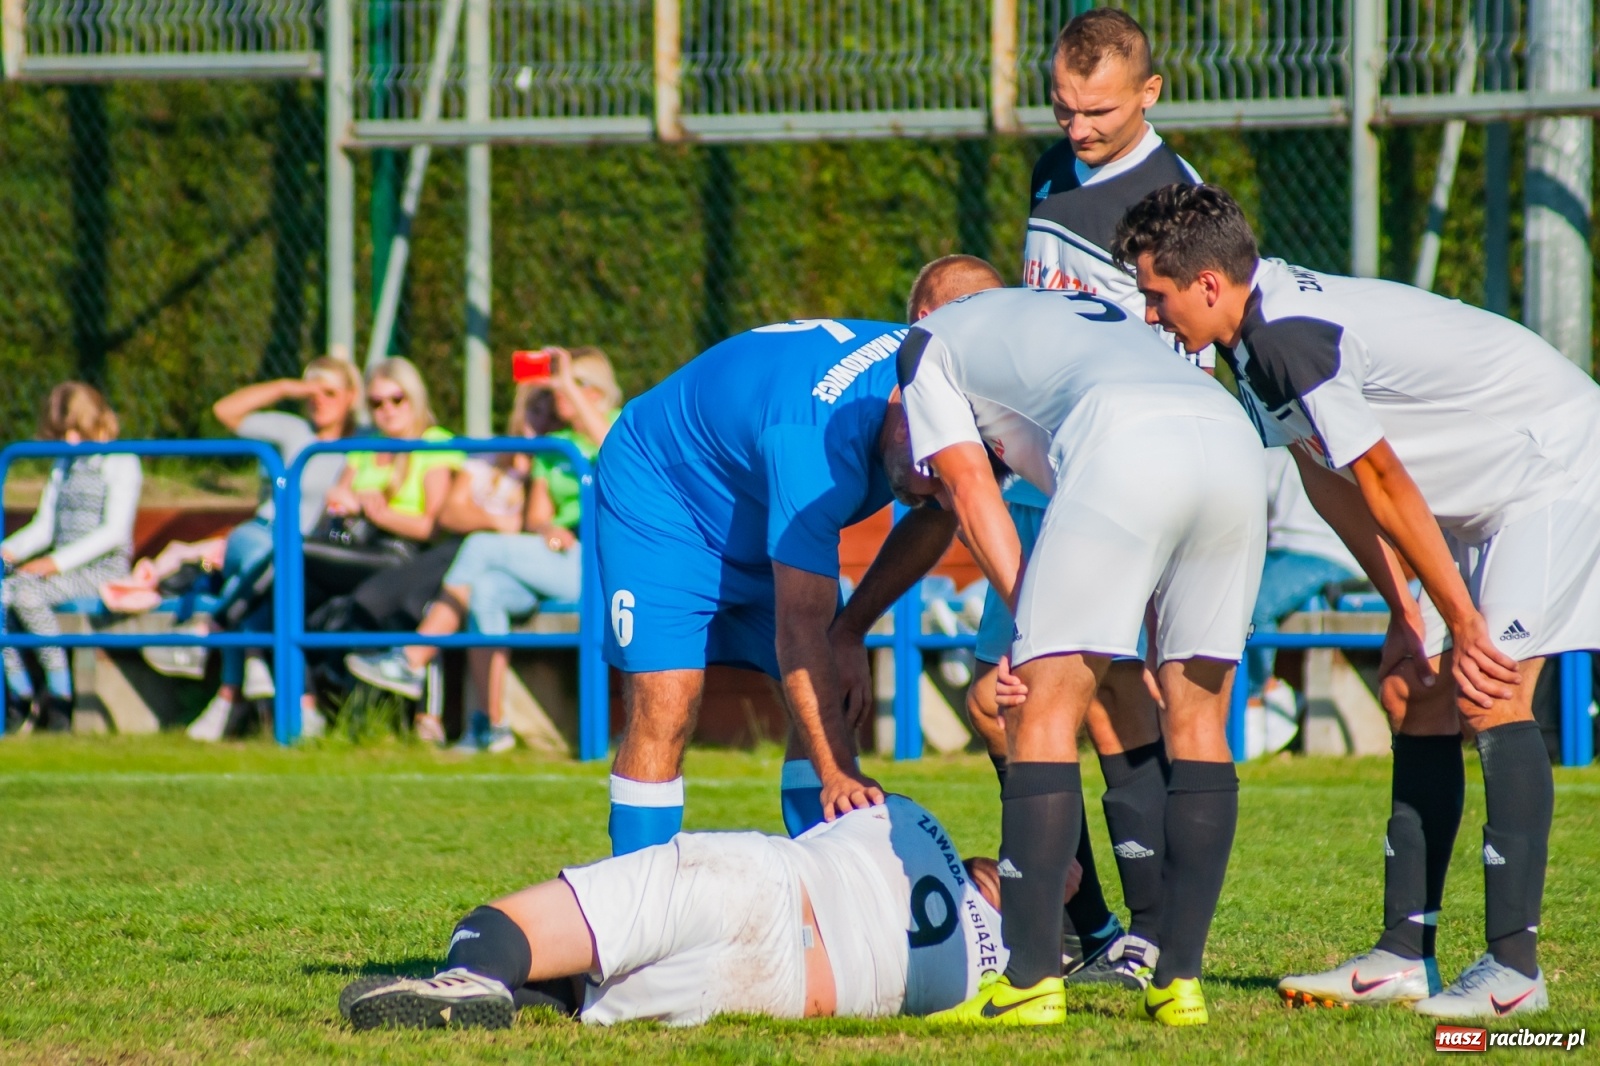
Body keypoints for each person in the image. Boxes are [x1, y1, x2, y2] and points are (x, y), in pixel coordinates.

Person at [1112, 181, 1600, 1018]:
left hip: (1552, 464)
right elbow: (1326, 475)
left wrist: (1464, 621)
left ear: (1208, 284)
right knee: (1415, 688)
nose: (1151, 315)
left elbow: (1379, 473)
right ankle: (1404, 956)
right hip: (1480, 493)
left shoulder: (1287, 337)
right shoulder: (1245, 342)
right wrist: (1406, 607)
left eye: (1156, 296)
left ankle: (1515, 974)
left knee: (1490, 688)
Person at [895, 257, 1266, 1027]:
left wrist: (1029, 623)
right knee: (1199, 718)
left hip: (1123, 447)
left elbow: (968, 488)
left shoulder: (928, 343)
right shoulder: (1059, 313)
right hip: (1229, 439)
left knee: (1039, 710)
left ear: (921, 316)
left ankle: (1031, 981)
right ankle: (1179, 982)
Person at [968, 9, 1213, 990]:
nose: (1078, 129)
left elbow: (1193, 347)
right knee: (1000, 700)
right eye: (1063, 108)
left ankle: (1145, 933)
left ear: (1150, 93)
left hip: (1122, 481)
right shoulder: (1051, 169)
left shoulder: (1174, 201)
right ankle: (1094, 923)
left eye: (1099, 112)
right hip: (1048, 477)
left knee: (1104, 701)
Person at [595, 319, 958, 855]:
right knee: (665, 701)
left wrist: (851, 631)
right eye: (931, 471)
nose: (937, 490)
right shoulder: (812, 443)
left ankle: (827, 883)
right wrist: (838, 772)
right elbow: (801, 626)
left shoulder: (945, 381)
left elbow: (941, 512)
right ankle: (638, 890)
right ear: (904, 413)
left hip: (760, 495)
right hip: (664, 495)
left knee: (832, 697)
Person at [339, 794, 1085, 1029]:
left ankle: (473, 975)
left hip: (754, 887)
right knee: (589, 993)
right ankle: (505, 994)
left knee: (506, 924)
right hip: (788, 997)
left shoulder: (910, 820)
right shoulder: (999, 978)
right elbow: (1058, 876)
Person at [346, 348, 622, 752]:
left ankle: (412, 659)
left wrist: (567, 383)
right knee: (487, 588)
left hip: (602, 565)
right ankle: (491, 727)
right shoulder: (556, 445)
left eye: (570, 383)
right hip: (560, 559)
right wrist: (547, 528)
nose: (557, 391)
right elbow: (535, 518)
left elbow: (615, 450)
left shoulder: (616, 424)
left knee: (480, 546)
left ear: (595, 391)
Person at [162, 357, 362, 741]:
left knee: (270, 577)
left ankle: (228, 688)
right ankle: (279, 684)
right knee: (270, 564)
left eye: (330, 392)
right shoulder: (294, 431)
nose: (318, 400)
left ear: (351, 396)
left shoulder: (362, 445)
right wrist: (287, 388)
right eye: (312, 392)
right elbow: (225, 411)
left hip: (302, 552)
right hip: (259, 534)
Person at [2, 383, 142, 734]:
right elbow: (45, 526)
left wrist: (56, 563)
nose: (70, 441)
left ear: (96, 421)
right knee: (3, 594)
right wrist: (9, 551)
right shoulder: (64, 463)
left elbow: (114, 532)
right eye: (62, 433)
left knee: (27, 594)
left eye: (76, 431)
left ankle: (59, 696)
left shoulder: (121, 461)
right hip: (63, 571)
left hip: (102, 571)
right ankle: (20, 694)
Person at [1245, 447, 1362, 751]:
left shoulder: (1338, 440)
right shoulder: (1269, 437)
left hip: (1330, 550)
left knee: (1253, 607)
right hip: (1282, 550)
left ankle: (1258, 695)